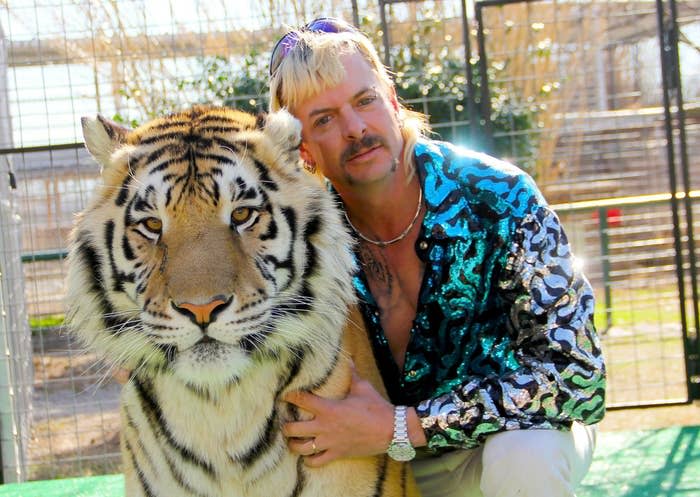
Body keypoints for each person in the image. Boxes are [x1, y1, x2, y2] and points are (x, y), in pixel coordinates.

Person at [268, 17, 606, 497]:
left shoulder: (500, 198)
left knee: (526, 455)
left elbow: (577, 376)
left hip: (507, 440)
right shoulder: (302, 243)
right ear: (302, 148)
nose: (356, 128)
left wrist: (404, 425)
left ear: (390, 97)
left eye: (365, 101)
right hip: (379, 460)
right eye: (325, 119)